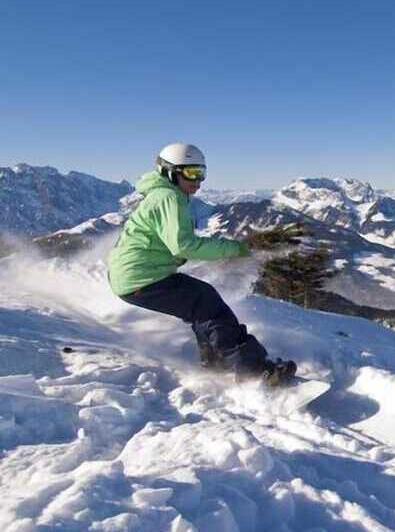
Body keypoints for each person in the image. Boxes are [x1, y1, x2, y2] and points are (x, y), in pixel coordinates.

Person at [107, 142, 296, 385]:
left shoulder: (165, 194)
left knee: (202, 303)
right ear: (169, 171)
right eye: (192, 173)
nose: (198, 182)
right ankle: (255, 370)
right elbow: (183, 245)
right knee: (206, 304)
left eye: (202, 173)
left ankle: (216, 362)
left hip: (138, 275)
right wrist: (234, 248)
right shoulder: (169, 197)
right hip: (141, 277)